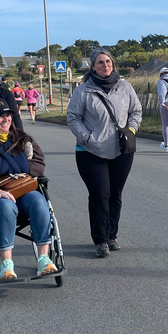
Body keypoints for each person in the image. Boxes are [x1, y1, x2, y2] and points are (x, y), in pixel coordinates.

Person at [0, 97, 58, 281]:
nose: (5, 119)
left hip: (22, 191)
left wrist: (19, 174)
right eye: (0, 116)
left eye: (8, 115)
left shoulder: (23, 138)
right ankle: (6, 264)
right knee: (6, 205)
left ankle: (44, 259)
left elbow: (40, 163)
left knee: (39, 201)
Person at [66, 48, 142, 258]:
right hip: (90, 151)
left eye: (108, 61)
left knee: (115, 194)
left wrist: (130, 130)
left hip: (121, 150)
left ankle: (111, 235)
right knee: (100, 194)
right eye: (100, 62)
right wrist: (87, 138)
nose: (105, 65)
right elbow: (73, 118)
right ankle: (100, 240)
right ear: (93, 67)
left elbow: (136, 111)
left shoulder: (125, 87)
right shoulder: (83, 91)